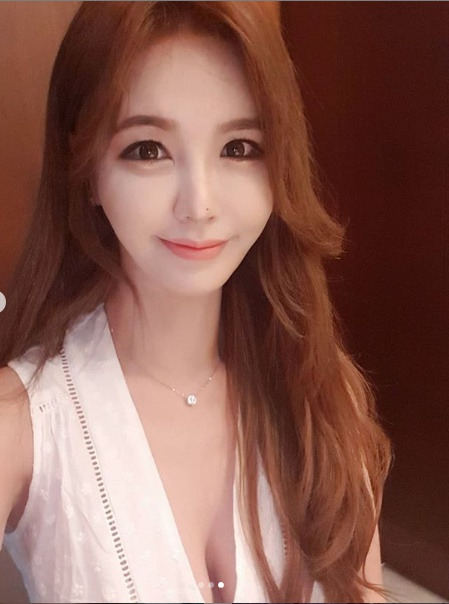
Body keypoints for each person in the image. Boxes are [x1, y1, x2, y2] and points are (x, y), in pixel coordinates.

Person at [0, 2, 393, 603]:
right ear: (86, 171)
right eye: (148, 149)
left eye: (239, 147)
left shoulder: (321, 392)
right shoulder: (25, 422)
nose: (200, 204)